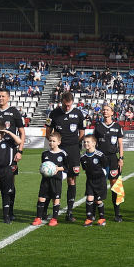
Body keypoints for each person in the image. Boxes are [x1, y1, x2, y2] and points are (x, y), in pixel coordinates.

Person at [0, 89, 26, 221]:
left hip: (10, 153)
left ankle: (10, 211)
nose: (0, 98)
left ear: (8, 98)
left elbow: (22, 133)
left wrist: (19, 151)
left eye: (3, 96)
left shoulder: (14, 112)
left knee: (10, 182)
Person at [45, 92, 83, 222]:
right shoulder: (54, 114)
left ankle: (70, 212)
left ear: (72, 102)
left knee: (71, 180)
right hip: (58, 150)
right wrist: (55, 145)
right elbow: (48, 132)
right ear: (61, 101)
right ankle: (45, 210)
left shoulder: (78, 113)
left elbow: (82, 132)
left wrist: (74, 143)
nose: (67, 108)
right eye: (65, 105)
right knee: (53, 178)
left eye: (69, 105)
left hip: (73, 150)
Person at [94, 105, 125, 222]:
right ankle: (94, 212)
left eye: (107, 110)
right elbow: (94, 143)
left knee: (115, 186)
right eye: (104, 110)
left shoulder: (117, 127)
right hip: (100, 158)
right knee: (98, 184)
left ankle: (117, 213)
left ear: (112, 113)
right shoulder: (98, 126)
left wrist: (121, 158)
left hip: (113, 158)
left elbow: (120, 144)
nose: (105, 111)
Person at [32, 132, 68, 227]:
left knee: (55, 199)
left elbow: (66, 167)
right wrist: (42, 170)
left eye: (54, 141)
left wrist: (57, 168)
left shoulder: (62, 154)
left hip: (56, 180)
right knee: (41, 198)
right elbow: (43, 166)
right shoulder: (45, 153)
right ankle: (38, 218)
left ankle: (54, 219)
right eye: (50, 141)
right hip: (45, 180)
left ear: (59, 142)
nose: (51, 143)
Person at [80, 134, 108, 227]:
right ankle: (89, 219)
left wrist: (105, 178)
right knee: (89, 198)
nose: (86, 143)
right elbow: (85, 169)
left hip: (100, 180)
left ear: (94, 143)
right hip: (90, 180)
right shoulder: (83, 156)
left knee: (98, 201)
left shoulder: (100, 155)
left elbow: (106, 167)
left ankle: (102, 219)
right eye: (85, 142)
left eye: (88, 142)